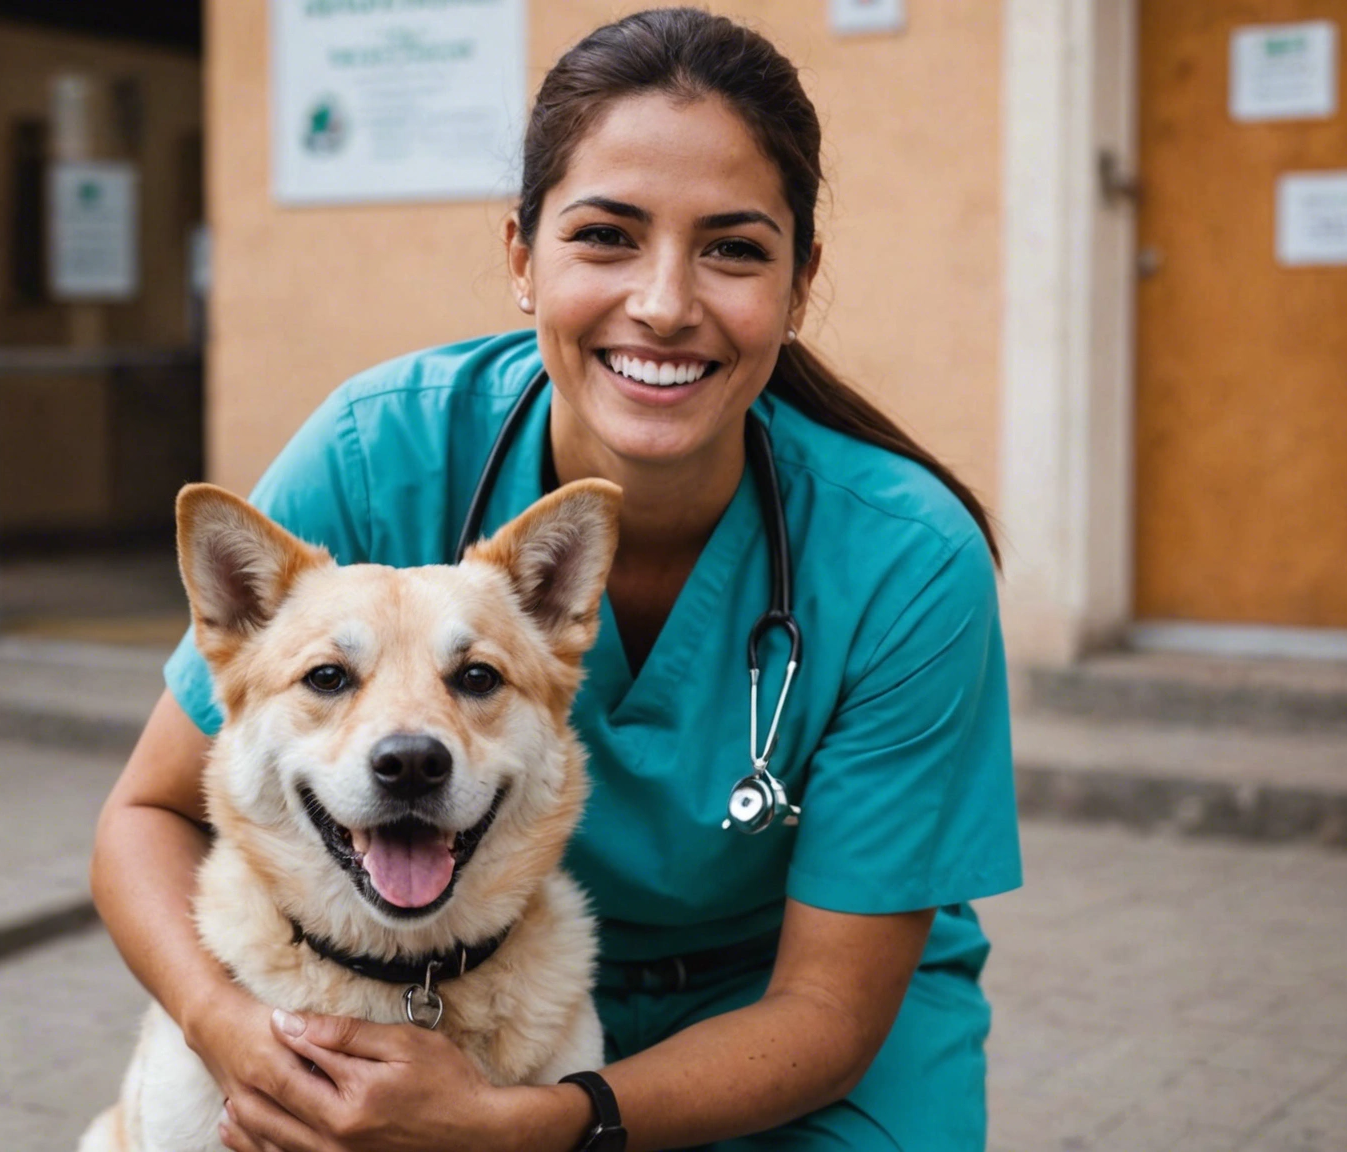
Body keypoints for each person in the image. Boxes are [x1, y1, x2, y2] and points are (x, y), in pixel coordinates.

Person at [91, 8, 1022, 1150]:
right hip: (478, 961)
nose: (666, 303)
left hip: (777, 1000)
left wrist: (518, 1124)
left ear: (798, 278)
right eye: (606, 236)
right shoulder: (375, 454)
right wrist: (230, 1035)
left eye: (733, 247)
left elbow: (826, 1008)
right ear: (523, 258)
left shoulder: (906, 560)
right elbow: (145, 811)